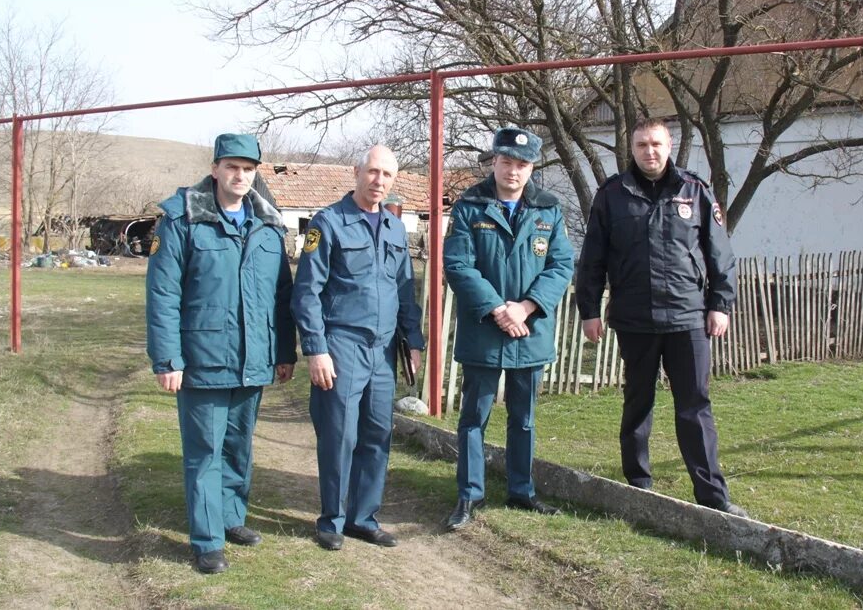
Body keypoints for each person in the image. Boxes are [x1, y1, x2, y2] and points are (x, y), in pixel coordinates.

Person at [575, 117, 748, 518]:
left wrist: (720, 304)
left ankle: (712, 496)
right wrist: (589, 311)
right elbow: (593, 259)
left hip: (688, 317)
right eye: (641, 145)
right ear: (631, 149)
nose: (649, 152)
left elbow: (721, 254)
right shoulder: (612, 195)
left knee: (695, 406)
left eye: (656, 144)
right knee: (638, 402)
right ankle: (638, 484)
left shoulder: (694, 190)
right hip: (634, 319)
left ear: (668, 146)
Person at [146, 133, 297, 574]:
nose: (240, 176)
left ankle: (231, 518)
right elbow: (163, 294)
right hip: (202, 357)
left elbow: (281, 296)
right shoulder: (181, 220)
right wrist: (168, 359)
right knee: (205, 451)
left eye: (248, 169)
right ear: (215, 169)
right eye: (232, 166)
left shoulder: (267, 225)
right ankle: (207, 539)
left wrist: (283, 352)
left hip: (253, 359)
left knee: (237, 446)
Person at [291, 145, 424, 551]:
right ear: (356, 171)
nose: (378, 181)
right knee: (339, 435)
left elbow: (406, 290)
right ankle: (331, 520)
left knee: (377, 433)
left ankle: (363, 517)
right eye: (372, 172)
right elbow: (306, 293)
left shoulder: (396, 228)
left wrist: (413, 341)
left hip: (383, 350)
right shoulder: (328, 223)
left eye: (387, 175)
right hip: (341, 345)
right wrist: (316, 349)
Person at [442, 127, 574, 531]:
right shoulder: (469, 206)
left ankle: (521, 490)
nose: (513, 171)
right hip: (485, 329)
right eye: (506, 162)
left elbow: (561, 265)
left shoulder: (549, 209)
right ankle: (469, 494)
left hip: (530, 332)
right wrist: (500, 308)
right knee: (473, 418)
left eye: (522, 164)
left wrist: (527, 307)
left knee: (525, 418)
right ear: (493, 162)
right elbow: (458, 265)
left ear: (531, 167)